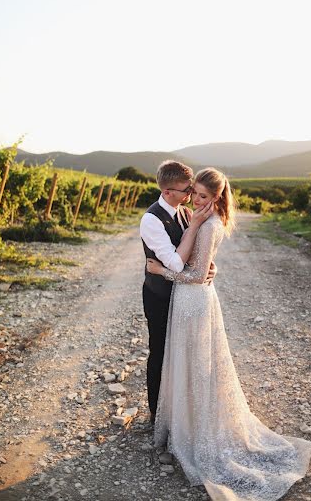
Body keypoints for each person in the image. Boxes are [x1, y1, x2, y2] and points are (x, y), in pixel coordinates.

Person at [146, 167, 311, 501]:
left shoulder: (208, 223)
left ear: (217, 197)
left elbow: (194, 275)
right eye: (194, 194)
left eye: (203, 197)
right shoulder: (189, 216)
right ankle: (182, 421)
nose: (196, 200)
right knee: (185, 362)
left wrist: (160, 270)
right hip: (187, 301)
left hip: (193, 300)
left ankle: (197, 429)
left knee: (197, 364)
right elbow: (201, 263)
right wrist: (207, 265)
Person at [140, 160, 215, 425]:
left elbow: (193, 254)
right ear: (168, 191)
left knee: (182, 353)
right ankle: (156, 415)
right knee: (159, 352)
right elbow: (174, 263)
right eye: (187, 190)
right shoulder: (151, 220)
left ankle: (180, 412)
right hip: (159, 295)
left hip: (185, 295)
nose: (191, 195)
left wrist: (208, 266)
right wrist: (194, 226)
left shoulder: (183, 211)